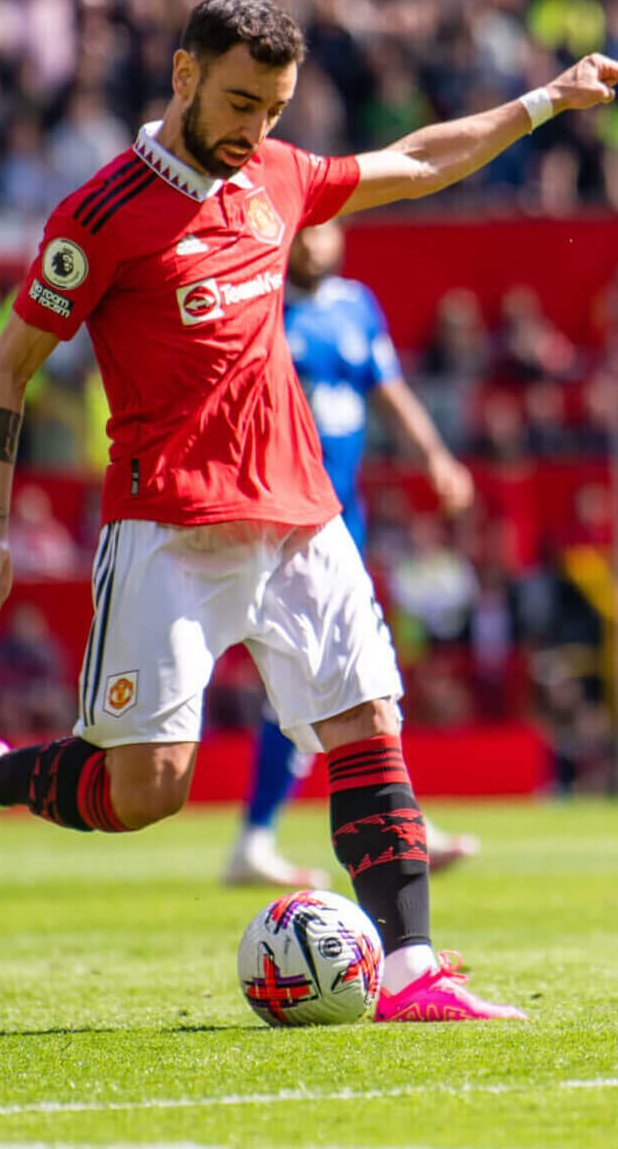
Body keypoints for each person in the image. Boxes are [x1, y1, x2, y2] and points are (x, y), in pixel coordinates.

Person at [0, 0, 618, 1022]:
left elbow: (415, 163)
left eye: (275, 108)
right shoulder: (100, 217)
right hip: (168, 528)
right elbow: (6, 372)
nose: (257, 130)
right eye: (240, 102)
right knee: (148, 788)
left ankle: (411, 967)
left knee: (367, 722)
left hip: (301, 513)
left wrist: (544, 100)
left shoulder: (275, 174)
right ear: (184, 73)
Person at [222, 218, 480, 889]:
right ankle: (377, 828)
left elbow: (389, 391)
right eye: (302, 231)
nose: (313, 243)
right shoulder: (259, 304)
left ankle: (265, 838)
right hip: (274, 519)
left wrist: (436, 458)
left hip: (338, 520)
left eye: (324, 229)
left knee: (339, 678)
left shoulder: (356, 304)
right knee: (334, 677)